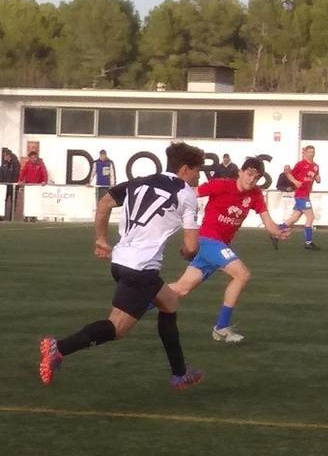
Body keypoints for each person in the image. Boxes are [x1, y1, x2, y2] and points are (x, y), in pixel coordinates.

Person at [38, 142, 207, 392]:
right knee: (116, 329)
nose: (198, 176)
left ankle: (179, 373)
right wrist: (186, 252)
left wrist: (101, 239)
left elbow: (105, 203)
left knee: (170, 303)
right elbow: (191, 248)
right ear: (184, 169)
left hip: (121, 261)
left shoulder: (138, 182)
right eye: (197, 170)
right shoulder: (185, 194)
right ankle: (59, 348)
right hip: (141, 268)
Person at [166, 157, 289, 344]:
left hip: (219, 245)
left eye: (256, 178)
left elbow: (268, 223)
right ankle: (221, 327)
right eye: (249, 174)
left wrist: (278, 231)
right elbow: (190, 193)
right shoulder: (221, 185)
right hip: (208, 241)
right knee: (242, 274)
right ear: (240, 171)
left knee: (182, 289)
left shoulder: (255, 195)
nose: (251, 180)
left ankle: (138, 304)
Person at [275, 145, 321, 251]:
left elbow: (317, 178)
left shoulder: (315, 166)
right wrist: (295, 181)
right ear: (305, 153)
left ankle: (275, 233)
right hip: (301, 195)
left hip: (305, 194)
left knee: (293, 218)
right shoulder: (300, 164)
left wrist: (318, 178)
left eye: (313, 152)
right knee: (311, 217)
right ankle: (308, 242)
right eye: (309, 152)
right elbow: (290, 175)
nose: (311, 154)